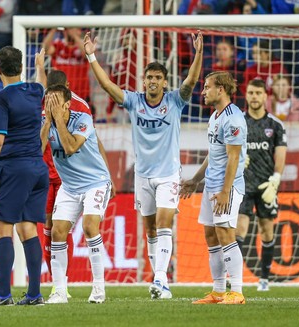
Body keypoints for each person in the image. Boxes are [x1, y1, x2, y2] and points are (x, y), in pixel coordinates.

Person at [84, 30, 203, 299]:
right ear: (144, 80)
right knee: (149, 229)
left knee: (163, 222)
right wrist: (91, 55)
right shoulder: (134, 101)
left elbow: (192, 80)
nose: (152, 81)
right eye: (149, 77)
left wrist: (198, 54)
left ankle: (161, 280)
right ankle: (159, 279)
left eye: (157, 78)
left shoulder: (175, 100)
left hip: (169, 175)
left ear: (164, 82)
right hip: (143, 176)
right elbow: (107, 86)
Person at [0, 46, 48, 306]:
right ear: (21, 67)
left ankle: (4, 295)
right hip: (38, 169)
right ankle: (34, 294)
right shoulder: (35, 91)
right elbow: (41, 83)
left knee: (1, 228)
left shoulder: (0, 100)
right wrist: (40, 66)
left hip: (14, 169)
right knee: (28, 228)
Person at [41, 69, 115, 297]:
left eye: (57, 103)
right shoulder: (46, 121)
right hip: (70, 186)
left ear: (67, 105)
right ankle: (59, 291)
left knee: (90, 226)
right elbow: (36, 148)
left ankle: (99, 289)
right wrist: (47, 122)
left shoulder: (82, 118)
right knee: (57, 231)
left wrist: (58, 123)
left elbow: (71, 147)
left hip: (95, 182)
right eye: (49, 102)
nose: (52, 106)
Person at [180, 71, 247, 305]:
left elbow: (234, 158)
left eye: (207, 87)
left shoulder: (234, 119)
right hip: (211, 185)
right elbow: (213, 153)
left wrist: (226, 191)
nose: (203, 91)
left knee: (225, 234)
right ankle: (218, 291)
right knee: (210, 235)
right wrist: (196, 179)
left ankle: (236, 291)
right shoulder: (215, 116)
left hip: (226, 187)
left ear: (221, 90)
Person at [235, 79, 287, 292]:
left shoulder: (275, 125)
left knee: (267, 231)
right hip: (243, 184)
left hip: (267, 187)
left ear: (265, 96)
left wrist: (276, 178)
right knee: (240, 229)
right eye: (250, 93)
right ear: (246, 96)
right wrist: (239, 159)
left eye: (258, 93)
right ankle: (235, 277)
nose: (254, 96)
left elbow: (281, 153)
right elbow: (230, 150)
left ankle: (264, 279)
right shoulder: (239, 122)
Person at [42, 28, 90, 102]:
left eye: (75, 28)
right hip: (61, 94)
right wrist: (53, 30)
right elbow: (45, 50)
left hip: (81, 94)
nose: (71, 31)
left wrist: (74, 35)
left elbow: (86, 54)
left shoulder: (84, 45)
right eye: (69, 29)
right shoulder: (59, 44)